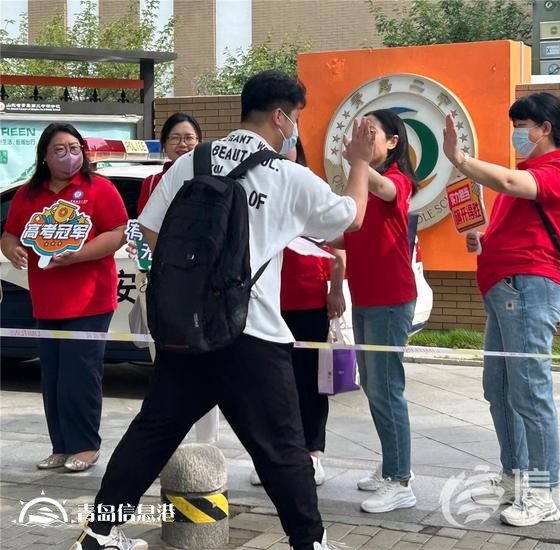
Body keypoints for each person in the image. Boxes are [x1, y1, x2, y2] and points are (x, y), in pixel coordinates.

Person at [70, 69, 374, 550]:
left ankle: (99, 533)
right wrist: (358, 162)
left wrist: (198, 281)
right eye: (294, 116)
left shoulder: (191, 161)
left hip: (187, 330)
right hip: (252, 333)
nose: (294, 125)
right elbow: (351, 218)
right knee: (282, 449)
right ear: (280, 116)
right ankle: (309, 543)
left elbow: (150, 233)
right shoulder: (288, 176)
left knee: (151, 433)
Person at [442, 92, 560, 527]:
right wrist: (482, 239)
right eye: (515, 124)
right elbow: (510, 207)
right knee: (498, 389)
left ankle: (542, 491)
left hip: (529, 290)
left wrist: (462, 160)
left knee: (530, 392)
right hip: (506, 291)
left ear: (546, 129)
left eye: (523, 125)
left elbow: (508, 184)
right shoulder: (525, 172)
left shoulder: (557, 172)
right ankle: (515, 475)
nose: (517, 133)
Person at [1, 123, 128, 473]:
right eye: (59, 149)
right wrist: (13, 252)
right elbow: (10, 234)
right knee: (53, 376)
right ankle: (61, 445)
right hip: (46, 301)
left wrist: (79, 254)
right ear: (44, 155)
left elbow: (118, 233)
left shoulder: (99, 189)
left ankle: (86, 446)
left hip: (90, 300)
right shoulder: (29, 194)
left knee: (80, 375)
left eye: (74, 147)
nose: (68, 155)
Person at [331, 109, 418, 514]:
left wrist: (359, 161)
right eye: (358, 131)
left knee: (386, 388)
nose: (362, 138)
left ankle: (401, 481)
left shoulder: (396, 181)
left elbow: (381, 188)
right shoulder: (363, 179)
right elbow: (352, 232)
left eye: (371, 132)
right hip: (367, 297)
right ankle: (391, 466)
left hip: (390, 299)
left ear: (393, 141)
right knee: (374, 385)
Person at [249, 139, 347, 487]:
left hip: (308, 301)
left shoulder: (309, 187)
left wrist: (335, 290)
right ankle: (276, 455)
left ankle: (312, 454)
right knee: (272, 384)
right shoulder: (258, 186)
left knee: (310, 382)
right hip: (267, 304)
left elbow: (338, 248)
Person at [132, 112, 217, 445]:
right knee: (166, 367)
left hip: (202, 287)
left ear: (200, 142)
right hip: (163, 282)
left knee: (204, 366)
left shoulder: (214, 178)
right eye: (175, 139)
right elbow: (145, 228)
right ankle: (169, 442)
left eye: (190, 138)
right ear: (164, 144)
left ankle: (206, 445)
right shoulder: (152, 183)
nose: (183, 145)